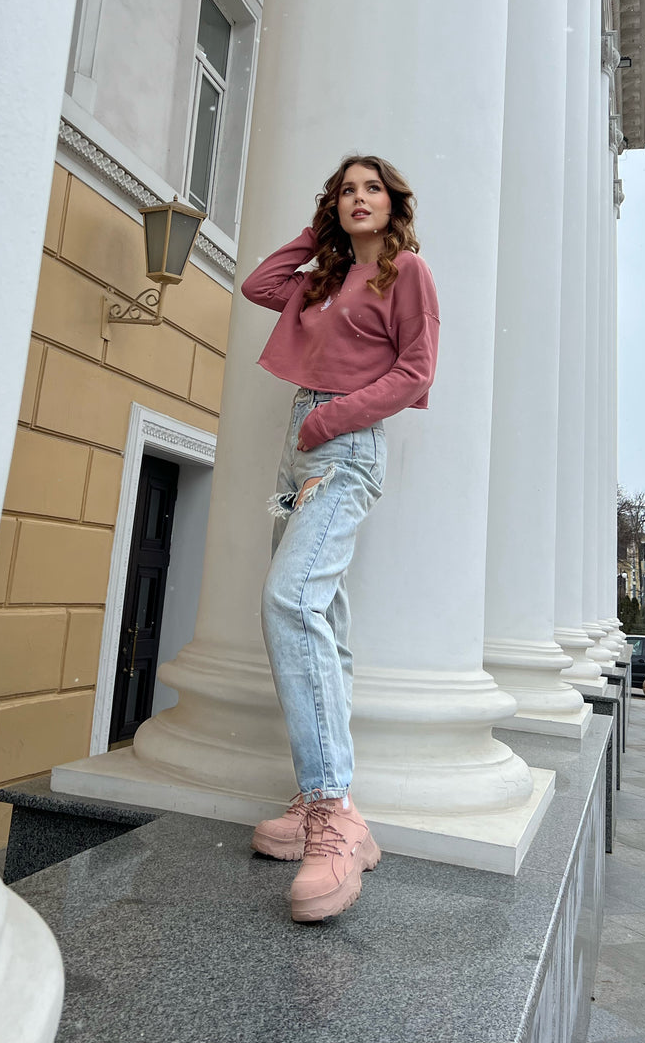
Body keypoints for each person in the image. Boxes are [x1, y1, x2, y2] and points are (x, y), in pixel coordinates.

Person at [240, 154, 439, 923]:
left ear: (395, 202)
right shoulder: (321, 277)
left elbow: (417, 371)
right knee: (322, 616)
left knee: (290, 601)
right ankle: (320, 791)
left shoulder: (407, 272)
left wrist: (331, 418)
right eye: (346, 190)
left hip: (344, 445)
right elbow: (261, 284)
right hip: (299, 445)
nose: (360, 198)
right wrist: (316, 230)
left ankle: (335, 817)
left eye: (372, 188)